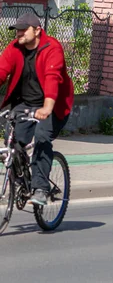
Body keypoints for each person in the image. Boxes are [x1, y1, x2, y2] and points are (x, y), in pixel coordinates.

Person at [0, 12, 74, 206]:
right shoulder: (15, 48)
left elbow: (52, 77)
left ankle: (40, 188)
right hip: (23, 104)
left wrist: (47, 107)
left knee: (42, 136)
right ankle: (20, 181)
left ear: (38, 30)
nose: (19, 34)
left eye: (24, 30)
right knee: (12, 140)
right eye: (17, 30)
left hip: (52, 105)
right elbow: (1, 71)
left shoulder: (52, 48)